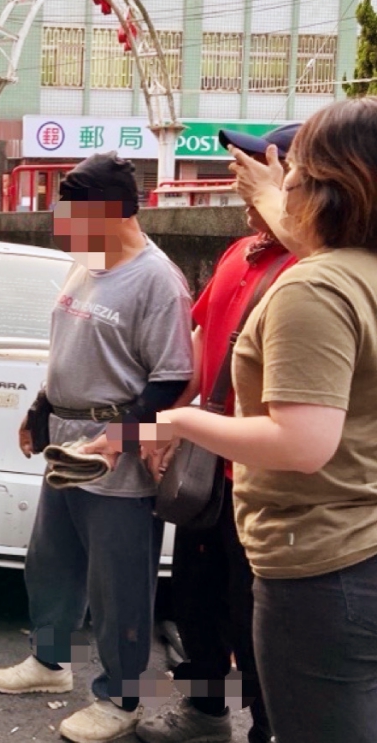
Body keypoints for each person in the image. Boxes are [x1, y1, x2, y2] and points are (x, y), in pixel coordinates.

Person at [149, 98, 377, 743]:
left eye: (291, 168)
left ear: (326, 183)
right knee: (203, 613)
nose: (274, 183)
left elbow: (302, 443)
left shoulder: (315, 284)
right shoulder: (348, 269)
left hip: (320, 555)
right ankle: (206, 711)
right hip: (353, 540)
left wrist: (182, 422)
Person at [0, 153, 193, 743]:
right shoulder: (88, 266)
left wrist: (119, 440)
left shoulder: (158, 281)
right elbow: (68, 352)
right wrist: (39, 409)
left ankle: (121, 698)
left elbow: (172, 378)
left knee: (118, 585)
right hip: (68, 446)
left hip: (116, 453)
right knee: (51, 563)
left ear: (112, 212)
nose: (64, 228)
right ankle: (49, 661)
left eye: (74, 215)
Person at [135, 125, 300, 743]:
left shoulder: (315, 266)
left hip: (270, 478)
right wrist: (167, 425)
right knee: (195, 599)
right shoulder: (241, 252)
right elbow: (202, 341)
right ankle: (205, 712)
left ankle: (268, 728)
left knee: (256, 617)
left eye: (261, 168)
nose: (244, 182)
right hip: (213, 467)